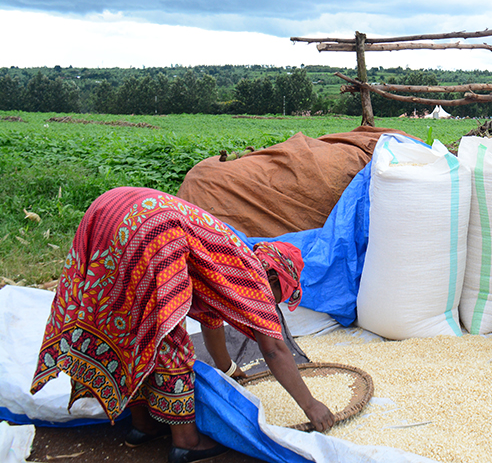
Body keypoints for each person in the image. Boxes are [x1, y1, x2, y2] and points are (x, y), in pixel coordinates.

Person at [30, 187, 335, 463]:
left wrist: (228, 369)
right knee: (167, 333)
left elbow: (210, 320)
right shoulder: (252, 277)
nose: (273, 306)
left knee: (133, 323)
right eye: (280, 295)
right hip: (152, 228)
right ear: (272, 277)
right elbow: (274, 350)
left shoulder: (226, 264)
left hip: (112, 208)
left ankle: (143, 424)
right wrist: (311, 405)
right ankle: (186, 441)